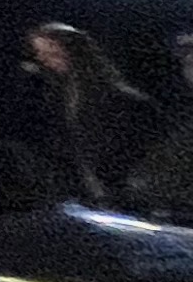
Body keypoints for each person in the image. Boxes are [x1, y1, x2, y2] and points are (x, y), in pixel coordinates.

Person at [26, 24, 161, 207]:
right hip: (93, 188)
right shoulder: (60, 94)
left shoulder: (118, 97)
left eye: (51, 51)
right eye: (39, 53)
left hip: (127, 186)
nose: (43, 59)